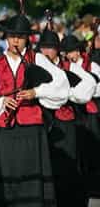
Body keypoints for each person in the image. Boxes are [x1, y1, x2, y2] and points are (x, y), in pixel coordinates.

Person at [0, 14, 69, 206]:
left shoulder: (37, 59)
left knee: (30, 183)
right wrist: (2, 102)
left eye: (20, 36)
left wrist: (35, 92)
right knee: (5, 182)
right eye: (12, 36)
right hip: (5, 131)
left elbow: (62, 86)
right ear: (6, 37)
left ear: (28, 38)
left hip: (31, 132)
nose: (16, 40)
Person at [38, 29, 95, 206]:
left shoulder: (69, 67)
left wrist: (65, 93)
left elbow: (89, 86)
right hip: (42, 123)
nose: (46, 52)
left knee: (67, 167)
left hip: (65, 122)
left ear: (58, 50)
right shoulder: (36, 68)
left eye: (51, 48)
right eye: (44, 48)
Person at [59, 34, 100, 197]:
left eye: (73, 51)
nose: (71, 56)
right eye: (67, 53)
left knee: (93, 148)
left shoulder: (92, 66)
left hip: (90, 113)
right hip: (73, 112)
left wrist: (86, 88)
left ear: (79, 50)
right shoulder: (66, 66)